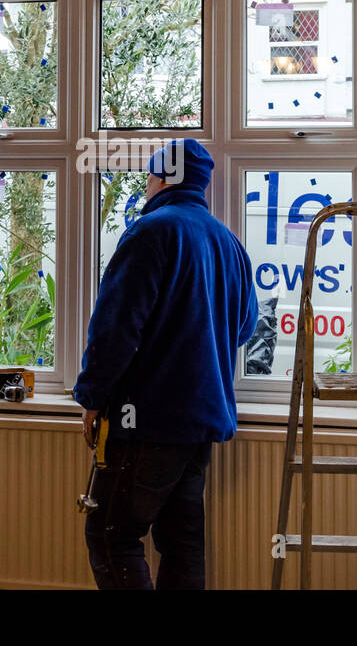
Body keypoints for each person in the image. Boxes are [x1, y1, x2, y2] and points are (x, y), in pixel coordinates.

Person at [73, 138, 258, 589]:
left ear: (160, 178)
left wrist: (92, 398)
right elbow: (244, 328)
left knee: (112, 536)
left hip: (146, 424)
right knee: (181, 543)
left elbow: (116, 329)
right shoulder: (227, 242)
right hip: (199, 426)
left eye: (150, 176)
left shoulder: (150, 231)